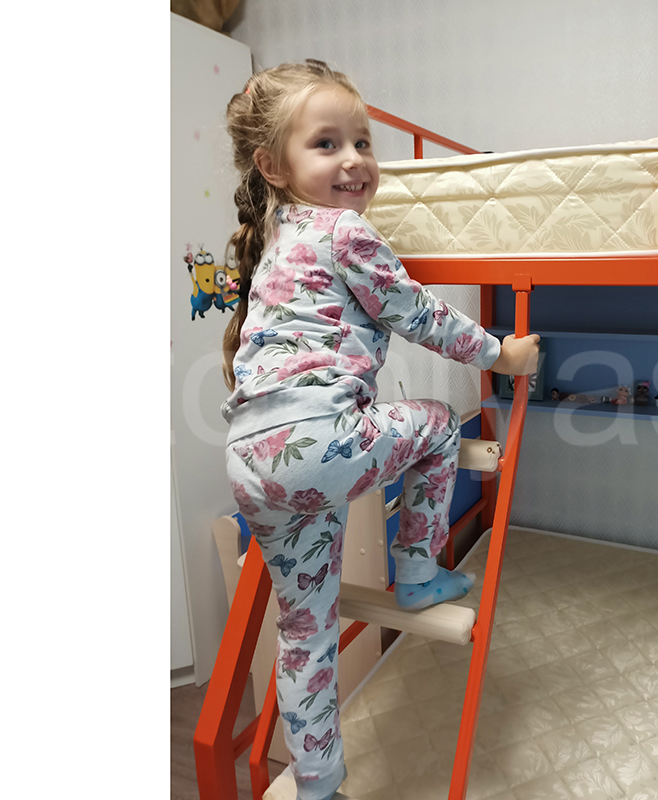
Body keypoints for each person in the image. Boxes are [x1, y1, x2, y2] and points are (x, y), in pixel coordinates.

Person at [219, 59, 539, 800]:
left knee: (305, 633)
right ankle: (418, 570)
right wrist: (501, 354)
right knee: (438, 423)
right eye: (326, 144)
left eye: (362, 142)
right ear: (273, 166)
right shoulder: (343, 231)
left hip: (249, 462)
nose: (355, 160)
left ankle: (317, 783)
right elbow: (418, 312)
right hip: (316, 441)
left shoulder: (274, 242)